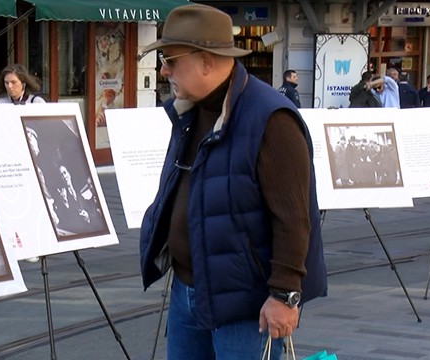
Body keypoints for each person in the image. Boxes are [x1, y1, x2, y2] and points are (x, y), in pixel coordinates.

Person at [136, 4, 327, 359]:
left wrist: (285, 295)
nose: (163, 70)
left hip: (247, 306)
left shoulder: (271, 118)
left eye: (170, 59)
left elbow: (294, 218)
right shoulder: (189, 111)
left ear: (206, 61)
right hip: (188, 290)